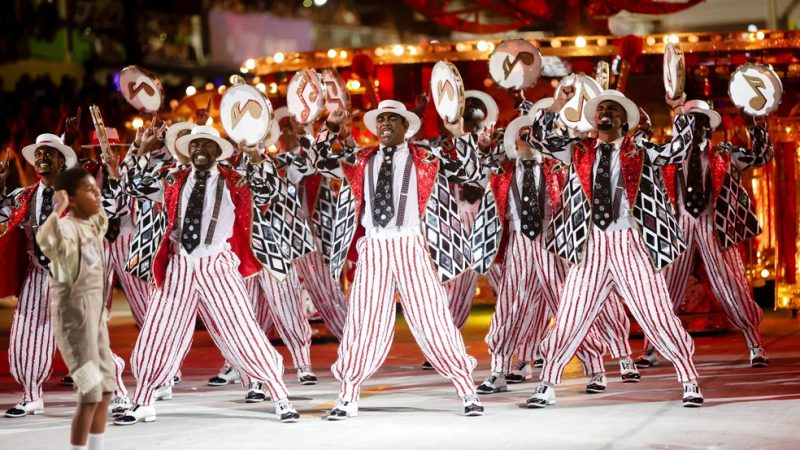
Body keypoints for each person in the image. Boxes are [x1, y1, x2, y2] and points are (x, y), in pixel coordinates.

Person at [525, 87, 704, 407]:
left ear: (625, 120)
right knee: (569, 315)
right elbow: (540, 141)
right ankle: (547, 382)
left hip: (631, 244)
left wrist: (678, 111)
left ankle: (689, 378)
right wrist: (557, 105)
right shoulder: (580, 150)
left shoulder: (642, 149)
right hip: (591, 246)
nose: (604, 112)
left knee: (657, 313)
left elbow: (677, 150)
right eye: (600, 108)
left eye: (612, 108)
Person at [114, 126, 299, 425]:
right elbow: (131, 186)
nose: (199, 148)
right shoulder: (172, 177)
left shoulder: (235, 180)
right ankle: (144, 399)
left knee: (242, 329)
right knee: (158, 330)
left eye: (206, 144)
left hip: (216, 263)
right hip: (179, 265)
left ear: (218, 151)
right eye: (194, 144)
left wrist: (256, 157)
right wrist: (140, 152)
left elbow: (273, 192)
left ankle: (280, 395)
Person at [314, 100, 484, 420]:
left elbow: (471, 172)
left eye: (393, 119)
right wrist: (330, 128)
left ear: (407, 127)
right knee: (363, 321)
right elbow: (320, 162)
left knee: (432, 317)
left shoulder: (426, 157)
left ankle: (466, 389)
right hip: (374, 245)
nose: (386, 124)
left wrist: (460, 134)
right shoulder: (361, 158)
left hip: (409, 243)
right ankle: (348, 393)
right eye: (381, 120)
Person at [637, 100, 774, 368]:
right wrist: (643, 130)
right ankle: (650, 348)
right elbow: (640, 154)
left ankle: (754, 344)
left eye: (699, 122)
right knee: (666, 287)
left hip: (714, 224)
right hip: (681, 224)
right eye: (688, 121)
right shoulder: (671, 155)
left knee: (731, 284)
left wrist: (754, 127)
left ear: (708, 128)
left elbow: (763, 156)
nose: (693, 126)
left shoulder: (724, 152)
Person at [36, 167, 114, 450]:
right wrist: (58, 210)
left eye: (97, 189)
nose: (96, 195)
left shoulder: (91, 224)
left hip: (95, 318)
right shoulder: (65, 228)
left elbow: (103, 218)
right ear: (71, 197)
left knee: (106, 389)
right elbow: (46, 242)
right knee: (90, 391)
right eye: (89, 191)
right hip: (74, 322)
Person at [0, 133, 78, 417]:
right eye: (39, 154)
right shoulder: (24, 195)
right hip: (36, 275)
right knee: (24, 337)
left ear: (61, 160)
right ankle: (31, 395)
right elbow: (2, 216)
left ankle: (117, 393)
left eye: (49, 153)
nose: (42, 158)